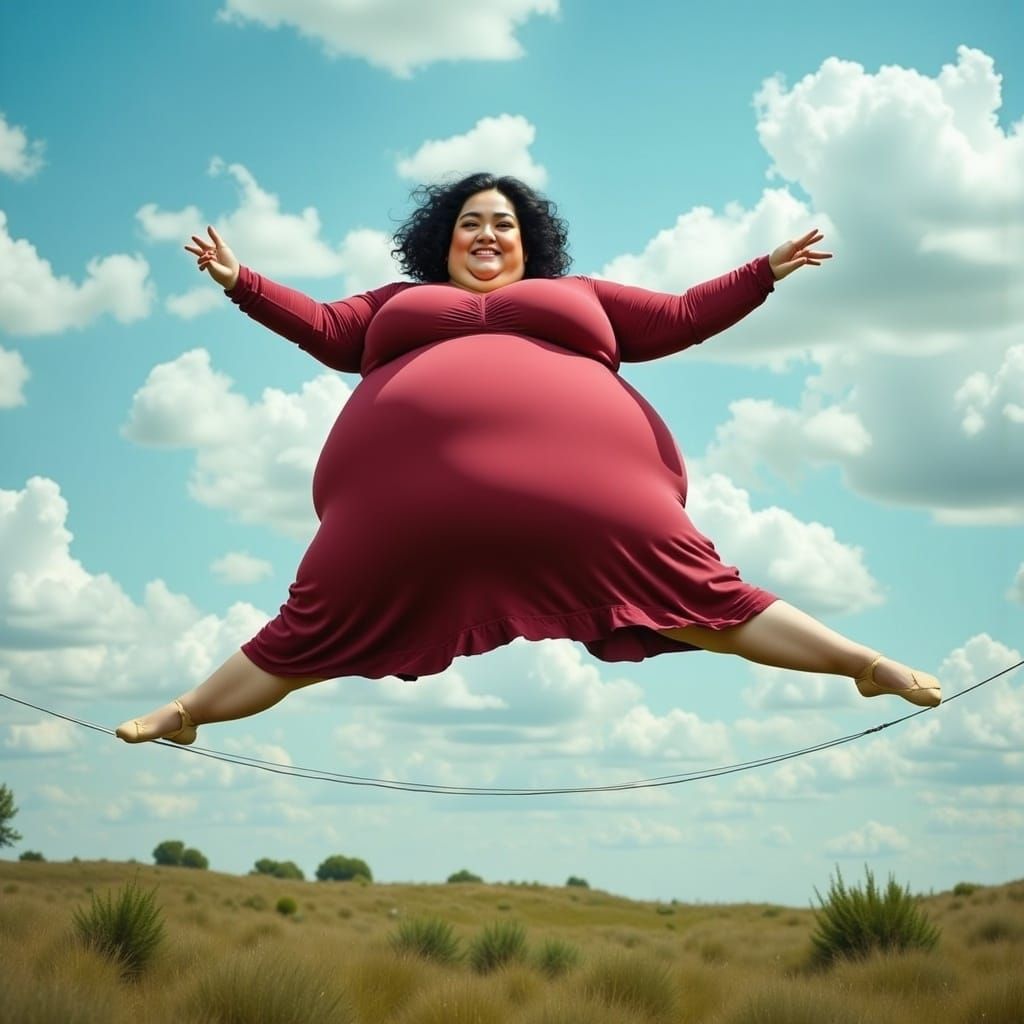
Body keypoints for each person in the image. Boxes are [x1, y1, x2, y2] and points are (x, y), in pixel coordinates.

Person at [116, 173, 940, 746]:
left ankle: (861, 664)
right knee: (309, 626)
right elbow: (327, 329)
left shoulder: (579, 297)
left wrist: (763, 272)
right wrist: (241, 280)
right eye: (471, 221)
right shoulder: (395, 305)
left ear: (527, 241)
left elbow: (685, 313)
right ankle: (187, 712)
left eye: (503, 222)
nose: (487, 232)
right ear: (443, 240)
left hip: (594, 505)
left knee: (705, 599)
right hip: (400, 515)